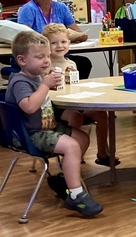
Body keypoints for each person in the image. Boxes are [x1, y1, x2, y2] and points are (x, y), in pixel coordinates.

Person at [5, 31, 102, 217]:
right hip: (31, 134)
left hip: (46, 128)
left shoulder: (36, 77)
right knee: (72, 146)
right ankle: (76, 195)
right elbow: (29, 107)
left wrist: (48, 86)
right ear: (22, 60)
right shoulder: (20, 82)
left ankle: (64, 180)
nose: (46, 61)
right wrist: (45, 86)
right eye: (40, 57)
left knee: (81, 138)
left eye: (48, 56)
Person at [42, 23, 116, 166]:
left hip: (75, 101)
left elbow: (75, 86)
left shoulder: (72, 64)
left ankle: (102, 152)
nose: (59, 46)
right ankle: (73, 154)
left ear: (69, 43)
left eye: (63, 42)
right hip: (57, 107)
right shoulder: (46, 65)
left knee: (101, 114)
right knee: (75, 116)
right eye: (54, 43)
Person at [17, 0, 92, 78]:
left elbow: (77, 31)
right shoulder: (28, 9)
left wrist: (80, 36)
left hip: (56, 52)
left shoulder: (61, 7)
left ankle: (72, 87)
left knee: (84, 63)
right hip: (37, 54)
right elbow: (23, 37)